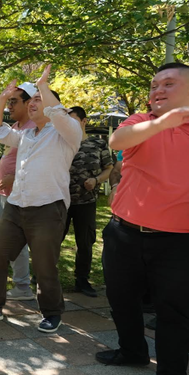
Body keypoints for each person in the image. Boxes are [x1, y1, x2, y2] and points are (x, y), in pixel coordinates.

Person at [0, 65, 82, 333]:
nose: (32, 105)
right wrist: (0, 99)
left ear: (54, 105)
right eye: (30, 101)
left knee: (44, 265)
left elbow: (59, 115)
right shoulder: (27, 135)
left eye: (38, 100)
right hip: (16, 207)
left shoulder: (68, 133)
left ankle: (52, 312)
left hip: (47, 209)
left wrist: (43, 87)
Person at [95, 62, 189, 374]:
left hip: (178, 241)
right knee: (121, 299)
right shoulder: (141, 121)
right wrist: (163, 124)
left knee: (173, 312)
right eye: (154, 85)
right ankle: (132, 351)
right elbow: (117, 142)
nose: (158, 89)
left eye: (169, 83)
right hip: (124, 233)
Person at [0, 82, 37, 302]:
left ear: (29, 103)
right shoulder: (18, 127)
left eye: (14, 101)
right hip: (6, 191)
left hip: (19, 193)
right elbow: (7, 150)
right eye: (8, 101)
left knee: (14, 239)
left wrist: (14, 177)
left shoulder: (33, 127)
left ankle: (22, 285)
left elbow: (36, 161)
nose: (10, 106)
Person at [62, 106, 113, 297]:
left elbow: (109, 168)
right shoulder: (61, 142)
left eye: (74, 120)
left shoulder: (97, 145)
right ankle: (44, 277)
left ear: (84, 122)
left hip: (87, 202)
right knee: (53, 239)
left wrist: (96, 180)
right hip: (61, 200)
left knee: (85, 242)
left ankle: (82, 279)